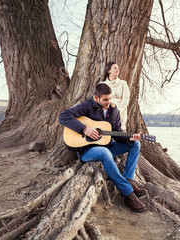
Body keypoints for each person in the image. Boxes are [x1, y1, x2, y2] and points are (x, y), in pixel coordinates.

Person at [59, 83, 147, 212]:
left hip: (107, 147)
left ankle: (129, 179)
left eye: (109, 98)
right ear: (96, 98)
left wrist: (129, 138)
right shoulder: (87, 106)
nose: (108, 102)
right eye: (105, 99)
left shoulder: (114, 111)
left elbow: (117, 133)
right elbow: (63, 116)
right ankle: (128, 193)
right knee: (105, 152)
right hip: (88, 151)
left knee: (135, 144)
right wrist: (84, 129)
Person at [103, 62, 130, 130]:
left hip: (120, 113)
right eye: (115, 68)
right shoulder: (103, 85)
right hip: (107, 114)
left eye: (118, 68)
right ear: (109, 70)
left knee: (120, 135)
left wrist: (117, 112)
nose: (117, 70)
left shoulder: (123, 83)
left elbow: (126, 100)